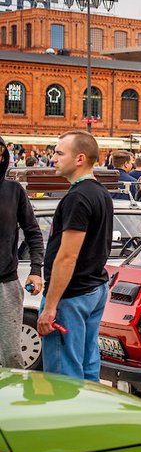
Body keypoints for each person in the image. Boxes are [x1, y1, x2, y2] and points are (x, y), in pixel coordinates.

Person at [38, 131, 113, 380]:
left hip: (72, 294)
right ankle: (87, 416)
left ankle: (68, 418)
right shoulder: (100, 192)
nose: (53, 158)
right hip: (93, 288)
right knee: (88, 362)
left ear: (79, 158)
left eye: (60, 153)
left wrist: (50, 306)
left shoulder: (78, 197)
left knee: (64, 374)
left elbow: (67, 256)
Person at [0, 136, 45, 368]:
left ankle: (8, 402)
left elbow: (33, 233)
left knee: (10, 357)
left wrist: (36, 269)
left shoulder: (14, 191)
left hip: (5, 285)